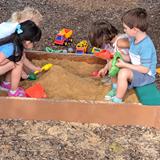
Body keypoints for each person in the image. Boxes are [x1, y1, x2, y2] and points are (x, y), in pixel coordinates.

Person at [105, 8, 157, 103]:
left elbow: (145, 69)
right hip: (136, 69)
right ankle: (116, 87)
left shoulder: (146, 46)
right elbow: (131, 58)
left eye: (125, 28)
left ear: (135, 30)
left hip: (146, 76)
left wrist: (125, 65)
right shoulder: (134, 39)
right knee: (112, 63)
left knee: (123, 72)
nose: (124, 31)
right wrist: (119, 55)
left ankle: (118, 99)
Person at [0, 20, 42, 97]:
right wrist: (6, 62)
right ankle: (13, 92)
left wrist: (36, 68)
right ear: (28, 42)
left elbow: (22, 58)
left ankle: (6, 84)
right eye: (34, 42)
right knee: (16, 64)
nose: (34, 45)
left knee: (16, 61)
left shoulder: (17, 43)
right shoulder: (11, 47)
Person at [8, 7, 43, 79]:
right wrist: (21, 72)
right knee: (14, 63)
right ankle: (8, 84)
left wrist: (34, 68)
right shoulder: (14, 32)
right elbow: (14, 56)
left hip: (8, 54)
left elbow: (22, 55)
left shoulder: (21, 29)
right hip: (4, 56)